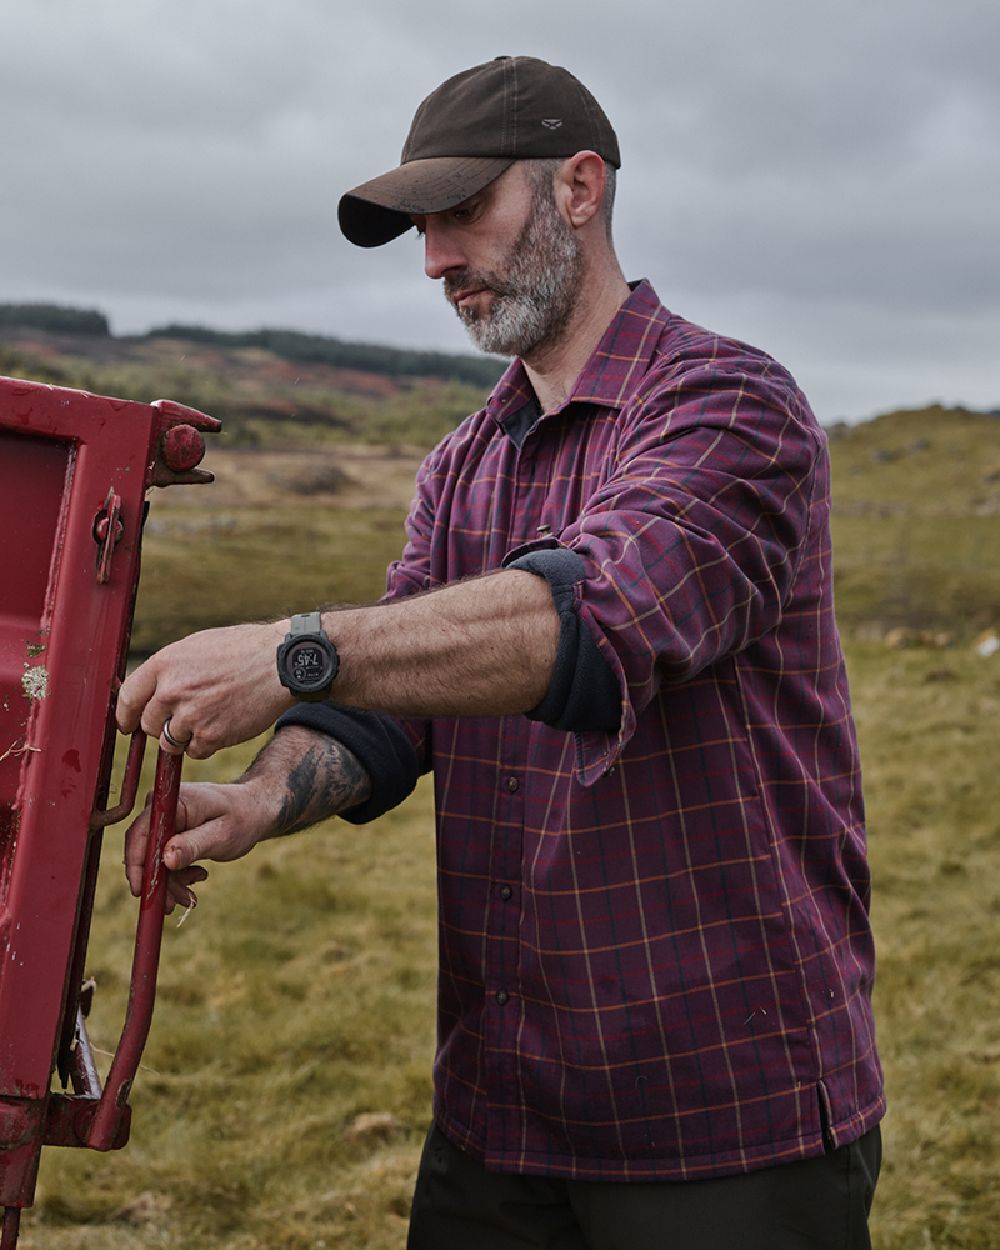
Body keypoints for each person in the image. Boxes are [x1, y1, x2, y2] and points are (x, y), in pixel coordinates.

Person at [119, 55, 884, 1250]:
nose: (434, 259)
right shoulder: (466, 460)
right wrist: (261, 795)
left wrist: (290, 649)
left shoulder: (732, 407)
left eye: (464, 211)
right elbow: (391, 703)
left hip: (721, 1111)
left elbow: (588, 625)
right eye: (420, 229)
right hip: (500, 1107)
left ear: (578, 187)